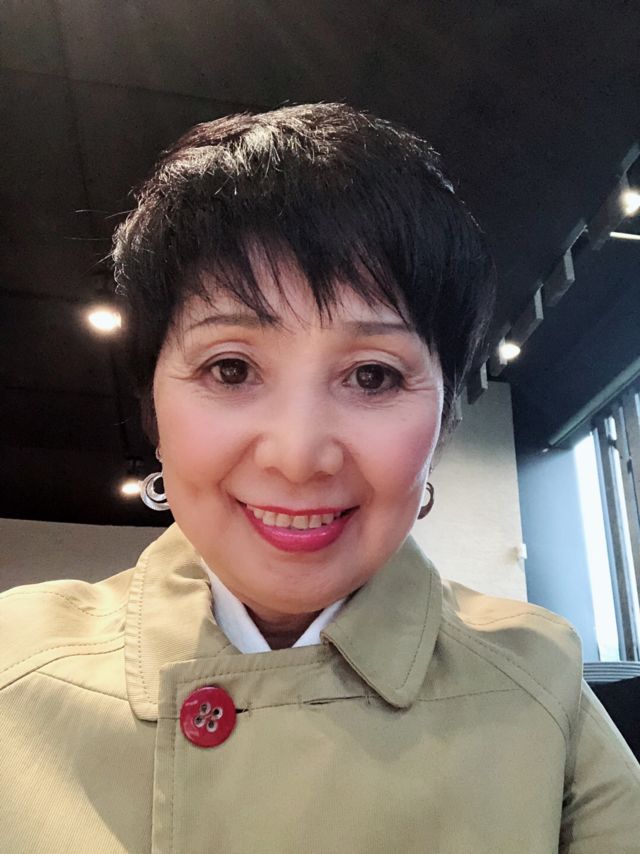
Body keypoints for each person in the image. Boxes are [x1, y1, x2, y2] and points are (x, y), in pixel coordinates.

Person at [1, 103, 639, 853]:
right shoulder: (17, 669)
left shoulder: (539, 687)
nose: (299, 455)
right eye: (230, 369)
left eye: (373, 375)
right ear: (155, 408)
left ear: (444, 424)